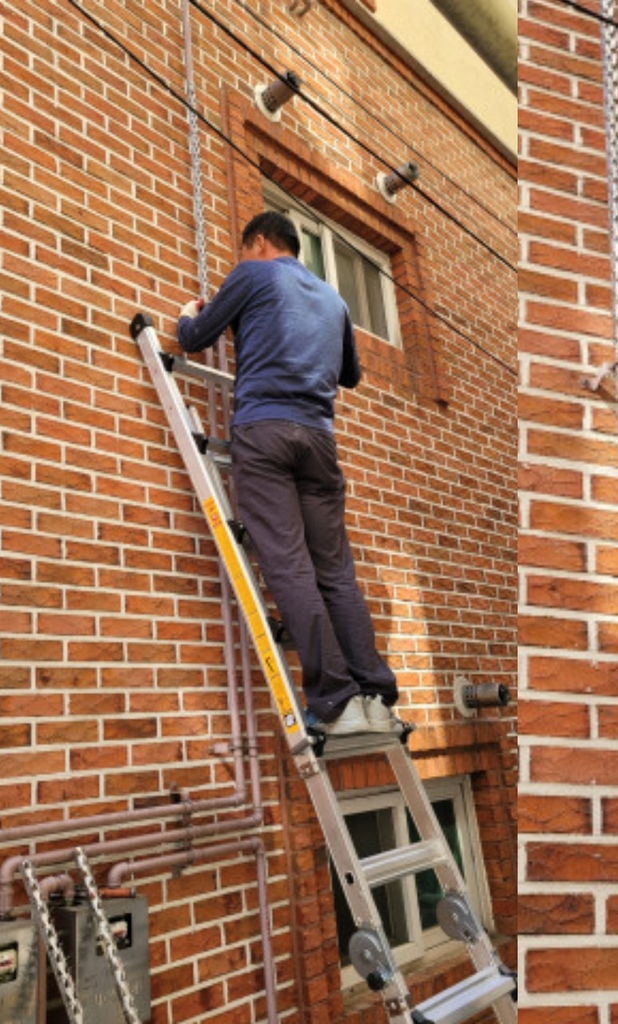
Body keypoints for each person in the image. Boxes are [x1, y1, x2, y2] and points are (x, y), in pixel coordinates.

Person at [176, 210, 399, 736]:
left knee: (289, 566)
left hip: (266, 432)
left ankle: (337, 702)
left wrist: (191, 315)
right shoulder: (334, 300)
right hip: (319, 442)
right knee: (336, 572)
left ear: (257, 242)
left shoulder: (253, 274)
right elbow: (350, 375)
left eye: (242, 249)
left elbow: (195, 338)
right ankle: (376, 696)